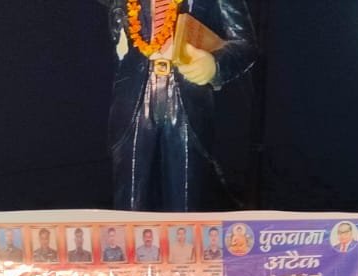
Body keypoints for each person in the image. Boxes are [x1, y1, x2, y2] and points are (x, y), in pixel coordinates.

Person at [105, 0, 256, 210]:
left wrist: (215, 65)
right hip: (134, 97)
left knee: (185, 201)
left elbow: (245, 44)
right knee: (131, 203)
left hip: (187, 98)